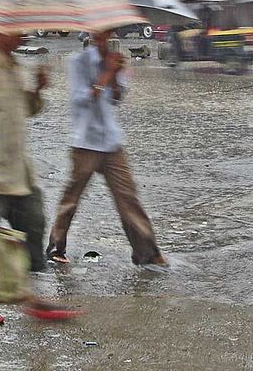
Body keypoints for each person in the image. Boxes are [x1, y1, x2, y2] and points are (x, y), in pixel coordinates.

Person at [0, 31, 80, 325]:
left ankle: (28, 296)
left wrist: (37, 89)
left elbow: (26, 110)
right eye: (15, 29)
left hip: (19, 172)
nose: (22, 34)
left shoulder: (12, 67)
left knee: (33, 228)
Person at [46, 30, 166, 266]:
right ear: (90, 35)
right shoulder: (78, 62)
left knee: (128, 197)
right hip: (85, 142)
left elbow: (116, 98)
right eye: (97, 35)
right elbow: (81, 99)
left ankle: (147, 253)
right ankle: (55, 247)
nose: (102, 38)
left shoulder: (113, 58)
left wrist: (115, 75)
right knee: (72, 198)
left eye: (106, 34)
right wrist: (106, 74)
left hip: (111, 142)